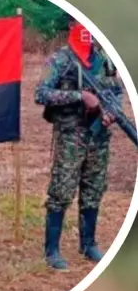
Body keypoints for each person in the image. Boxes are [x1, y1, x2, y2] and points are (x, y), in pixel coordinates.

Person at [35, 18, 123, 271]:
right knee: (61, 190)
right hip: (71, 135)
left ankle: (88, 244)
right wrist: (79, 96)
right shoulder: (60, 60)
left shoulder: (104, 60)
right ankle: (52, 250)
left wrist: (110, 112)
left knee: (94, 188)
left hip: (99, 137)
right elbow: (41, 93)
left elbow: (116, 91)